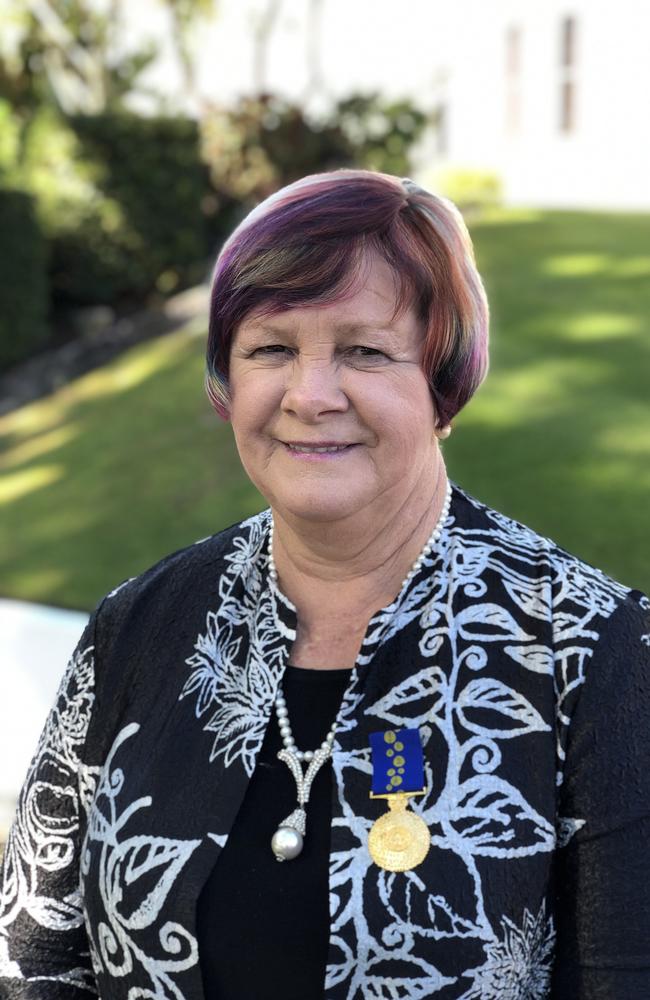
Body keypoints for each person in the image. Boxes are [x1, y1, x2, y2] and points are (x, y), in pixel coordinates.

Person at [0, 169, 648, 1000]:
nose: (310, 395)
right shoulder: (137, 629)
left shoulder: (594, 653)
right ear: (228, 382)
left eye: (365, 351)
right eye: (271, 348)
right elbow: (37, 964)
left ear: (442, 383)